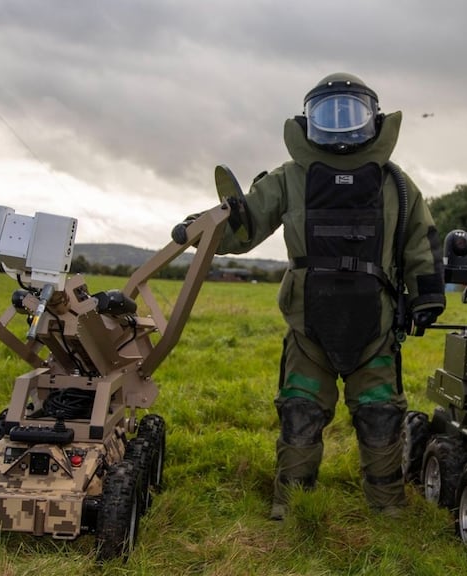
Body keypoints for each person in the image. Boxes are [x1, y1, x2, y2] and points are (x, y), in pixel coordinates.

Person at [176, 72, 445, 519]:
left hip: (375, 325)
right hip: (308, 326)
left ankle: (389, 510)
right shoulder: (289, 179)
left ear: (374, 119)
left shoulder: (396, 184)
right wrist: (202, 228)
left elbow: (422, 241)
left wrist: (426, 296)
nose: (340, 124)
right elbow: (246, 227)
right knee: (299, 414)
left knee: (381, 418)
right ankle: (291, 508)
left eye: (351, 112)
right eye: (329, 113)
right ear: (308, 120)